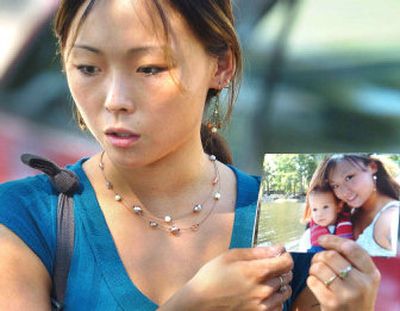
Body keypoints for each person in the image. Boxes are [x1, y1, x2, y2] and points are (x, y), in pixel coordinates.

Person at [0, 1, 381, 310]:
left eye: (150, 68)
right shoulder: (25, 219)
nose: (114, 100)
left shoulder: (288, 219)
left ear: (221, 66)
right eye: (87, 68)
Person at [312, 154, 400, 257]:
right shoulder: (347, 214)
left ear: (372, 167)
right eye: (335, 186)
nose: (344, 192)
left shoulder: (391, 218)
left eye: (349, 178)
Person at [299, 184, 353, 253]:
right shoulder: (308, 235)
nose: (319, 214)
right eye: (315, 209)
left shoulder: (351, 226)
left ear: (339, 207)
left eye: (325, 207)